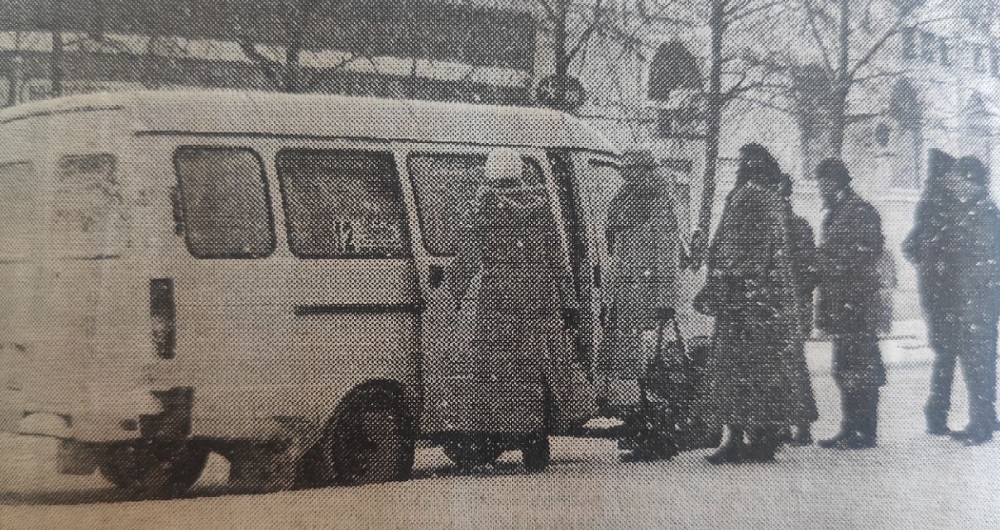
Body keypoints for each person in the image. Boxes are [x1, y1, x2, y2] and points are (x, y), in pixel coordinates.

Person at [447, 148, 582, 465]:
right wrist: (569, 301)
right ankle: (535, 441)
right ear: (519, 172)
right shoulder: (541, 207)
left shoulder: (483, 207)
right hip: (538, 299)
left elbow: (467, 258)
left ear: (491, 173)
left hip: (499, 301)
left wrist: (451, 292)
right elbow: (558, 259)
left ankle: (495, 435)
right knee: (533, 369)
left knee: (497, 372)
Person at [692, 143, 796, 464]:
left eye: (744, 162)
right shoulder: (770, 197)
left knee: (736, 368)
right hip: (761, 301)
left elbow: (738, 249)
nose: (740, 166)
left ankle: (740, 438)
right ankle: (759, 437)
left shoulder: (749, 197)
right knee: (759, 369)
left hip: (744, 300)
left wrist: (726, 278)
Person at [903, 155, 1000, 445]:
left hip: (977, 303)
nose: (955, 183)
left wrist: (972, 290)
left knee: (979, 364)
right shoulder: (968, 211)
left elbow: (985, 262)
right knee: (974, 365)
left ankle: (981, 425)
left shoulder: (985, 213)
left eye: (959, 178)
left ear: (971, 181)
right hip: (965, 303)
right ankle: (981, 420)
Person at [605, 150, 684, 462]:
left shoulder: (660, 202)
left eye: (632, 170)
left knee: (651, 367)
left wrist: (665, 300)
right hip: (627, 295)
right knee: (633, 368)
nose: (626, 175)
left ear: (646, 170)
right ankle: (640, 428)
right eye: (624, 170)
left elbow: (667, 255)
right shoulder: (625, 199)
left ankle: (657, 436)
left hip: (649, 299)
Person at [814, 158, 886, 450]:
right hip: (840, 302)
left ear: (837, 182)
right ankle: (848, 427)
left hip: (858, 304)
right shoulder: (835, 212)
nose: (820, 188)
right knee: (843, 367)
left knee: (862, 367)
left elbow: (869, 252)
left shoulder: (860, 211)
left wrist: (833, 263)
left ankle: (865, 431)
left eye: (824, 182)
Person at [778, 172, 820, 446]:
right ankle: (782, 425)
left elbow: (810, 272)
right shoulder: (777, 225)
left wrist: (795, 299)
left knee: (793, 366)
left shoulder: (797, 227)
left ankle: (802, 426)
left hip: (791, 308)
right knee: (781, 367)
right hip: (783, 307)